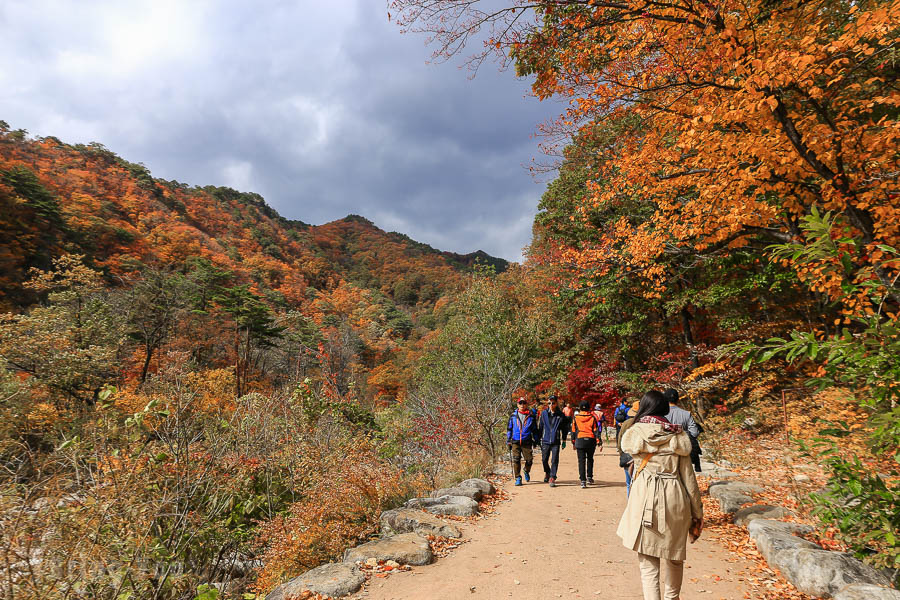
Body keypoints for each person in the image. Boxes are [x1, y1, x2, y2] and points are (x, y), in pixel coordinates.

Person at [616, 390, 703, 600]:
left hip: (644, 497)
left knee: (648, 562)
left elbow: (631, 467)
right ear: (664, 408)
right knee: (674, 558)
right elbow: (689, 479)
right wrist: (697, 513)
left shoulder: (635, 433)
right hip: (674, 497)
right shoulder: (677, 435)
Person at [664, 388, 703, 472]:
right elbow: (695, 432)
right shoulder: (686, 414)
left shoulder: (661, 414)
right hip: (683, 449)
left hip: (665, 450)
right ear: (678, 399)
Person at [506, 396, 540, 486]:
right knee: (516, 459)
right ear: (517, 404)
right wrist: (508, 441)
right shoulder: (513, 416)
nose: (522, 405)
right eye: (520, 403)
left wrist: (537, 440)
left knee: (529, 460)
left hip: (527, 441)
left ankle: (526, 470)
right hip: (515, 441)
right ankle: (518, 478)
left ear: (526, 404)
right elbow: (509, 429)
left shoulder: (531, 416)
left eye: (524, 403)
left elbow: (535, 430)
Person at [537, 394, 569, 487]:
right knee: (544, 459)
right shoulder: (543, 413)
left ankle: (552, 477)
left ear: (556, 403)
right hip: (545, 440)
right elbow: (541, 427)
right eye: (549, 403)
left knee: (554, 460)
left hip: (556, 441)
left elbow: (564, 428)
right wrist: (538, 439)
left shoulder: (560, 415)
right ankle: (547, 472)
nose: (551, 404)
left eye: (553, 403)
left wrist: (564, 440)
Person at [570, 400, 601, 488]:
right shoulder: (592, 417)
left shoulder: (576, 418)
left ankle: (582, 480)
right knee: (590, 459)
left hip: (580, 440)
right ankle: (589, 477)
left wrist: (573, 442)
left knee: (581, 461)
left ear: (579, 408)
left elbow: (573, 430)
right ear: (588, 408)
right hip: (590, 440)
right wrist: (599, 441)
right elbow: (596, 430)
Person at [616, 400, 640, 495]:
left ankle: (630, 504)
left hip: (627, 456)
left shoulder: (626, 423)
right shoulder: (644, 423)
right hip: (640, 457)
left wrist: (622, 454)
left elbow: (620, 440)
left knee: (628, 483)